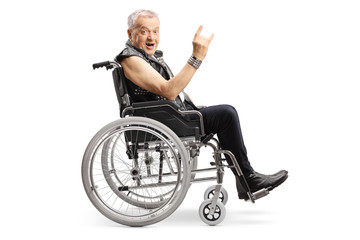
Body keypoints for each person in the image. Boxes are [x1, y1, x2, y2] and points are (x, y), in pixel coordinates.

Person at [115, 9, 288, 200]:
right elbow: (169, 90)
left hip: (169, 116)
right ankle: (248, 179)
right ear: (130, 34)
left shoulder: (146, 57)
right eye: (144, 31)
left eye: (156, 31)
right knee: (226, 114)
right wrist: (196, 57)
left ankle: (245, 179)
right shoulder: (131, 58)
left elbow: (171, 90)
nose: (151, 37)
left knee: (221, 115)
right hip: (163, 121)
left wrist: (192, 105)